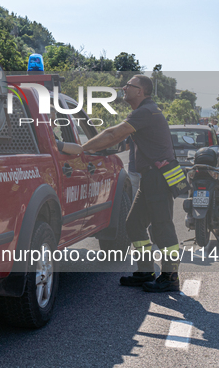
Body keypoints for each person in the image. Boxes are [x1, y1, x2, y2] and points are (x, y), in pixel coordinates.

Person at [81, 75, 180, 292]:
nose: (123, 87)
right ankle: (145, 270)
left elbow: (114, 133)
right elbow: (118, 141)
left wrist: (82, 149)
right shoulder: (143, 112)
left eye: (129, 85)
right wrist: (101, 149)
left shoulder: (146, 112)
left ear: (140, 91)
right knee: (134, 224)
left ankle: (170, 276)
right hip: (150, 177)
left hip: (158, 176)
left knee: (162, 227)